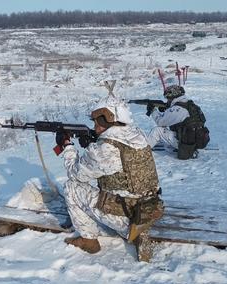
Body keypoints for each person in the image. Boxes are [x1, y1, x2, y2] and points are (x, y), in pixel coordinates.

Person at [55, 100, 163, 261]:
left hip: (126, 215)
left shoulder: (106, 149)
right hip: (150, 208)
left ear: (105, 120)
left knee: (71, 186)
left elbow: (76, 173)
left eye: (96, 122)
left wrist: (68, 146)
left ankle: (89, 240)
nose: (94, 127)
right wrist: (94, 144)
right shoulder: (137, 135)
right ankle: (137, 229)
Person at [146, 85, 210, 160]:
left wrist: (153, 110)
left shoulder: (178, 109)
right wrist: (167, 109)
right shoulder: (191, 105)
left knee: (157, 131)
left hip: (186, 143)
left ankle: (142, 149)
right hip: (198, 139)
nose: (167, 100)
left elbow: (160, 122)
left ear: (172, 97)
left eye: (168, 98)